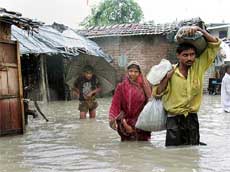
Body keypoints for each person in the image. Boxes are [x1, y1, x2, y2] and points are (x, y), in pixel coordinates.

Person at [153, 26, 221, 146]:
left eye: (192, 54)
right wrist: (166, 79)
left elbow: (215, 44)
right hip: (174, 119)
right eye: (185, 55)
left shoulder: (198, 66)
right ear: (178, 56)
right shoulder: (169, 71)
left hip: (192, 119)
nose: (190, 58)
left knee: (192, 154)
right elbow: (157, 93)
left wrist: (200, 30)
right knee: (174, 156)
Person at [109, 61, 152, 141]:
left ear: (139, 73)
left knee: (142, 146)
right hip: (125, 122)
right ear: (127, 72)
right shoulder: (121, 87)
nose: (133, 74)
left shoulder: (145, 87)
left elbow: (149, 105)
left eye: (136, 72)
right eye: (131, 71)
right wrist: (123, 123)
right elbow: (116, 104)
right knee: (126, 147)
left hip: (141, 123)